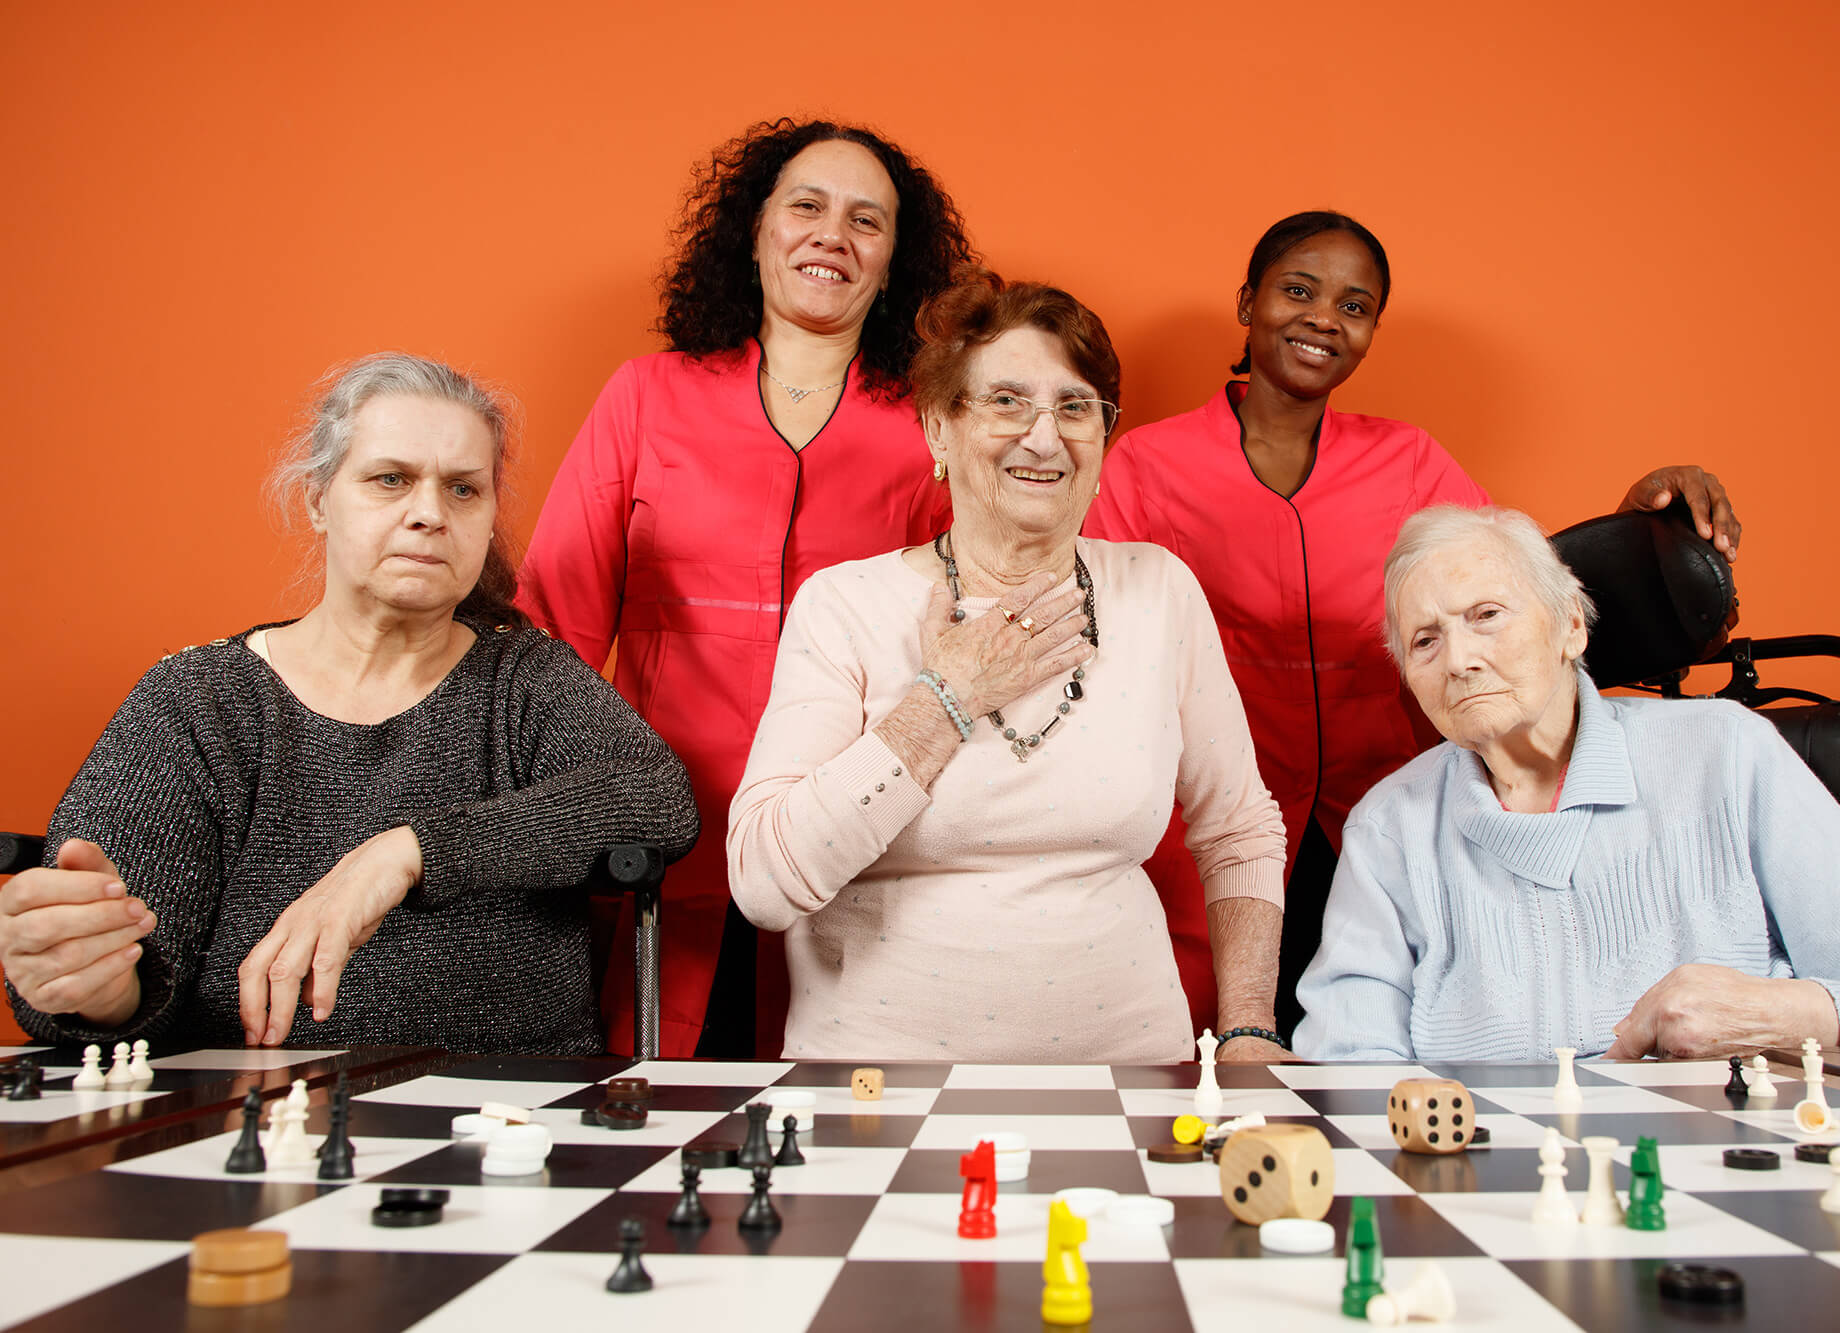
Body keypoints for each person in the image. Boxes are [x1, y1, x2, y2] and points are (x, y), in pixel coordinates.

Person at [1085, 209, 1745, 1038]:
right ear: (1249, 302)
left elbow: (1527, 597)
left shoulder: (1409, 459)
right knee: (1213, 1053)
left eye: (1355, 306)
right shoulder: (1148, 463)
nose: (1326, 317)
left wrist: (1635, 525)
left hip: (1385, 815)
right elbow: (1095, 636)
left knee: (1379, 1042)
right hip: (1214, 824)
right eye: (1299, 290)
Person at [0, 354, 699, 1054]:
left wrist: (410, 852)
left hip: (512, 1121)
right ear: (316, 498)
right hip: (256, 1126)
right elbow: (117, 974)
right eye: (389, 479)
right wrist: (96, 986)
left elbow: (659, 799)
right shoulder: (199, 700)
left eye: (463, 489)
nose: (429, 513)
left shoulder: (525, 679)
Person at [726, 271, 1289, 1062]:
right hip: (877, 1095)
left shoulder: (1158, 590)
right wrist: (946, 698)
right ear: (937, 431)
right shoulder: (845, 605)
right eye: (1006, 401)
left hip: (1129, 1084)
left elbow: (1239, 829)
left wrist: (1249, 1028)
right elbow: (764, 880)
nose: (1045, 436)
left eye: (1074, 406)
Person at [518, 119, 973, 1057]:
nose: (831, 237)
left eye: (867, 222)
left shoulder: (932, 431)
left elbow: (962, 640)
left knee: (834, 1152)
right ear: (755, 232)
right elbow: (550, 630)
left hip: (858, 842)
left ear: (895, 264)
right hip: (657, 840)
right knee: (647, 1127)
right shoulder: (646, 395)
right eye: (806, 207)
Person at [1293, 505, 1840, 1061]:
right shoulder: (1390, 827)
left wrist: (1780, 1015)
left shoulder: (1726, 751)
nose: (1459, 659)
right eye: (1425, 640)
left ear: (1571, 626)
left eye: (1486, 616)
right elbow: (1349, 1066)